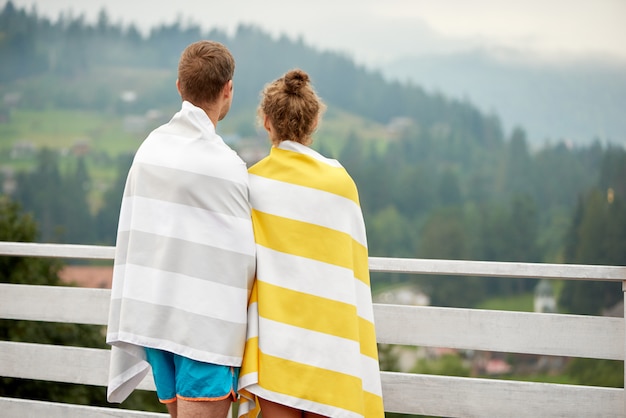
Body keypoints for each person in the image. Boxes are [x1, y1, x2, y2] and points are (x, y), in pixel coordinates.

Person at [106, 40, 256, 418]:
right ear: (228, 90)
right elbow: (246, 253)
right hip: (204, 328)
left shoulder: (150, 150)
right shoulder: (229, 167)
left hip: (157, 317)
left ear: (179, 87)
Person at [237, 69, 384, 417]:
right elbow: (353, 272)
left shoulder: (251, 184)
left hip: (275, 341)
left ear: (267, 122)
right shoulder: (340, 183)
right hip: (332, 344)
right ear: (313, 121)